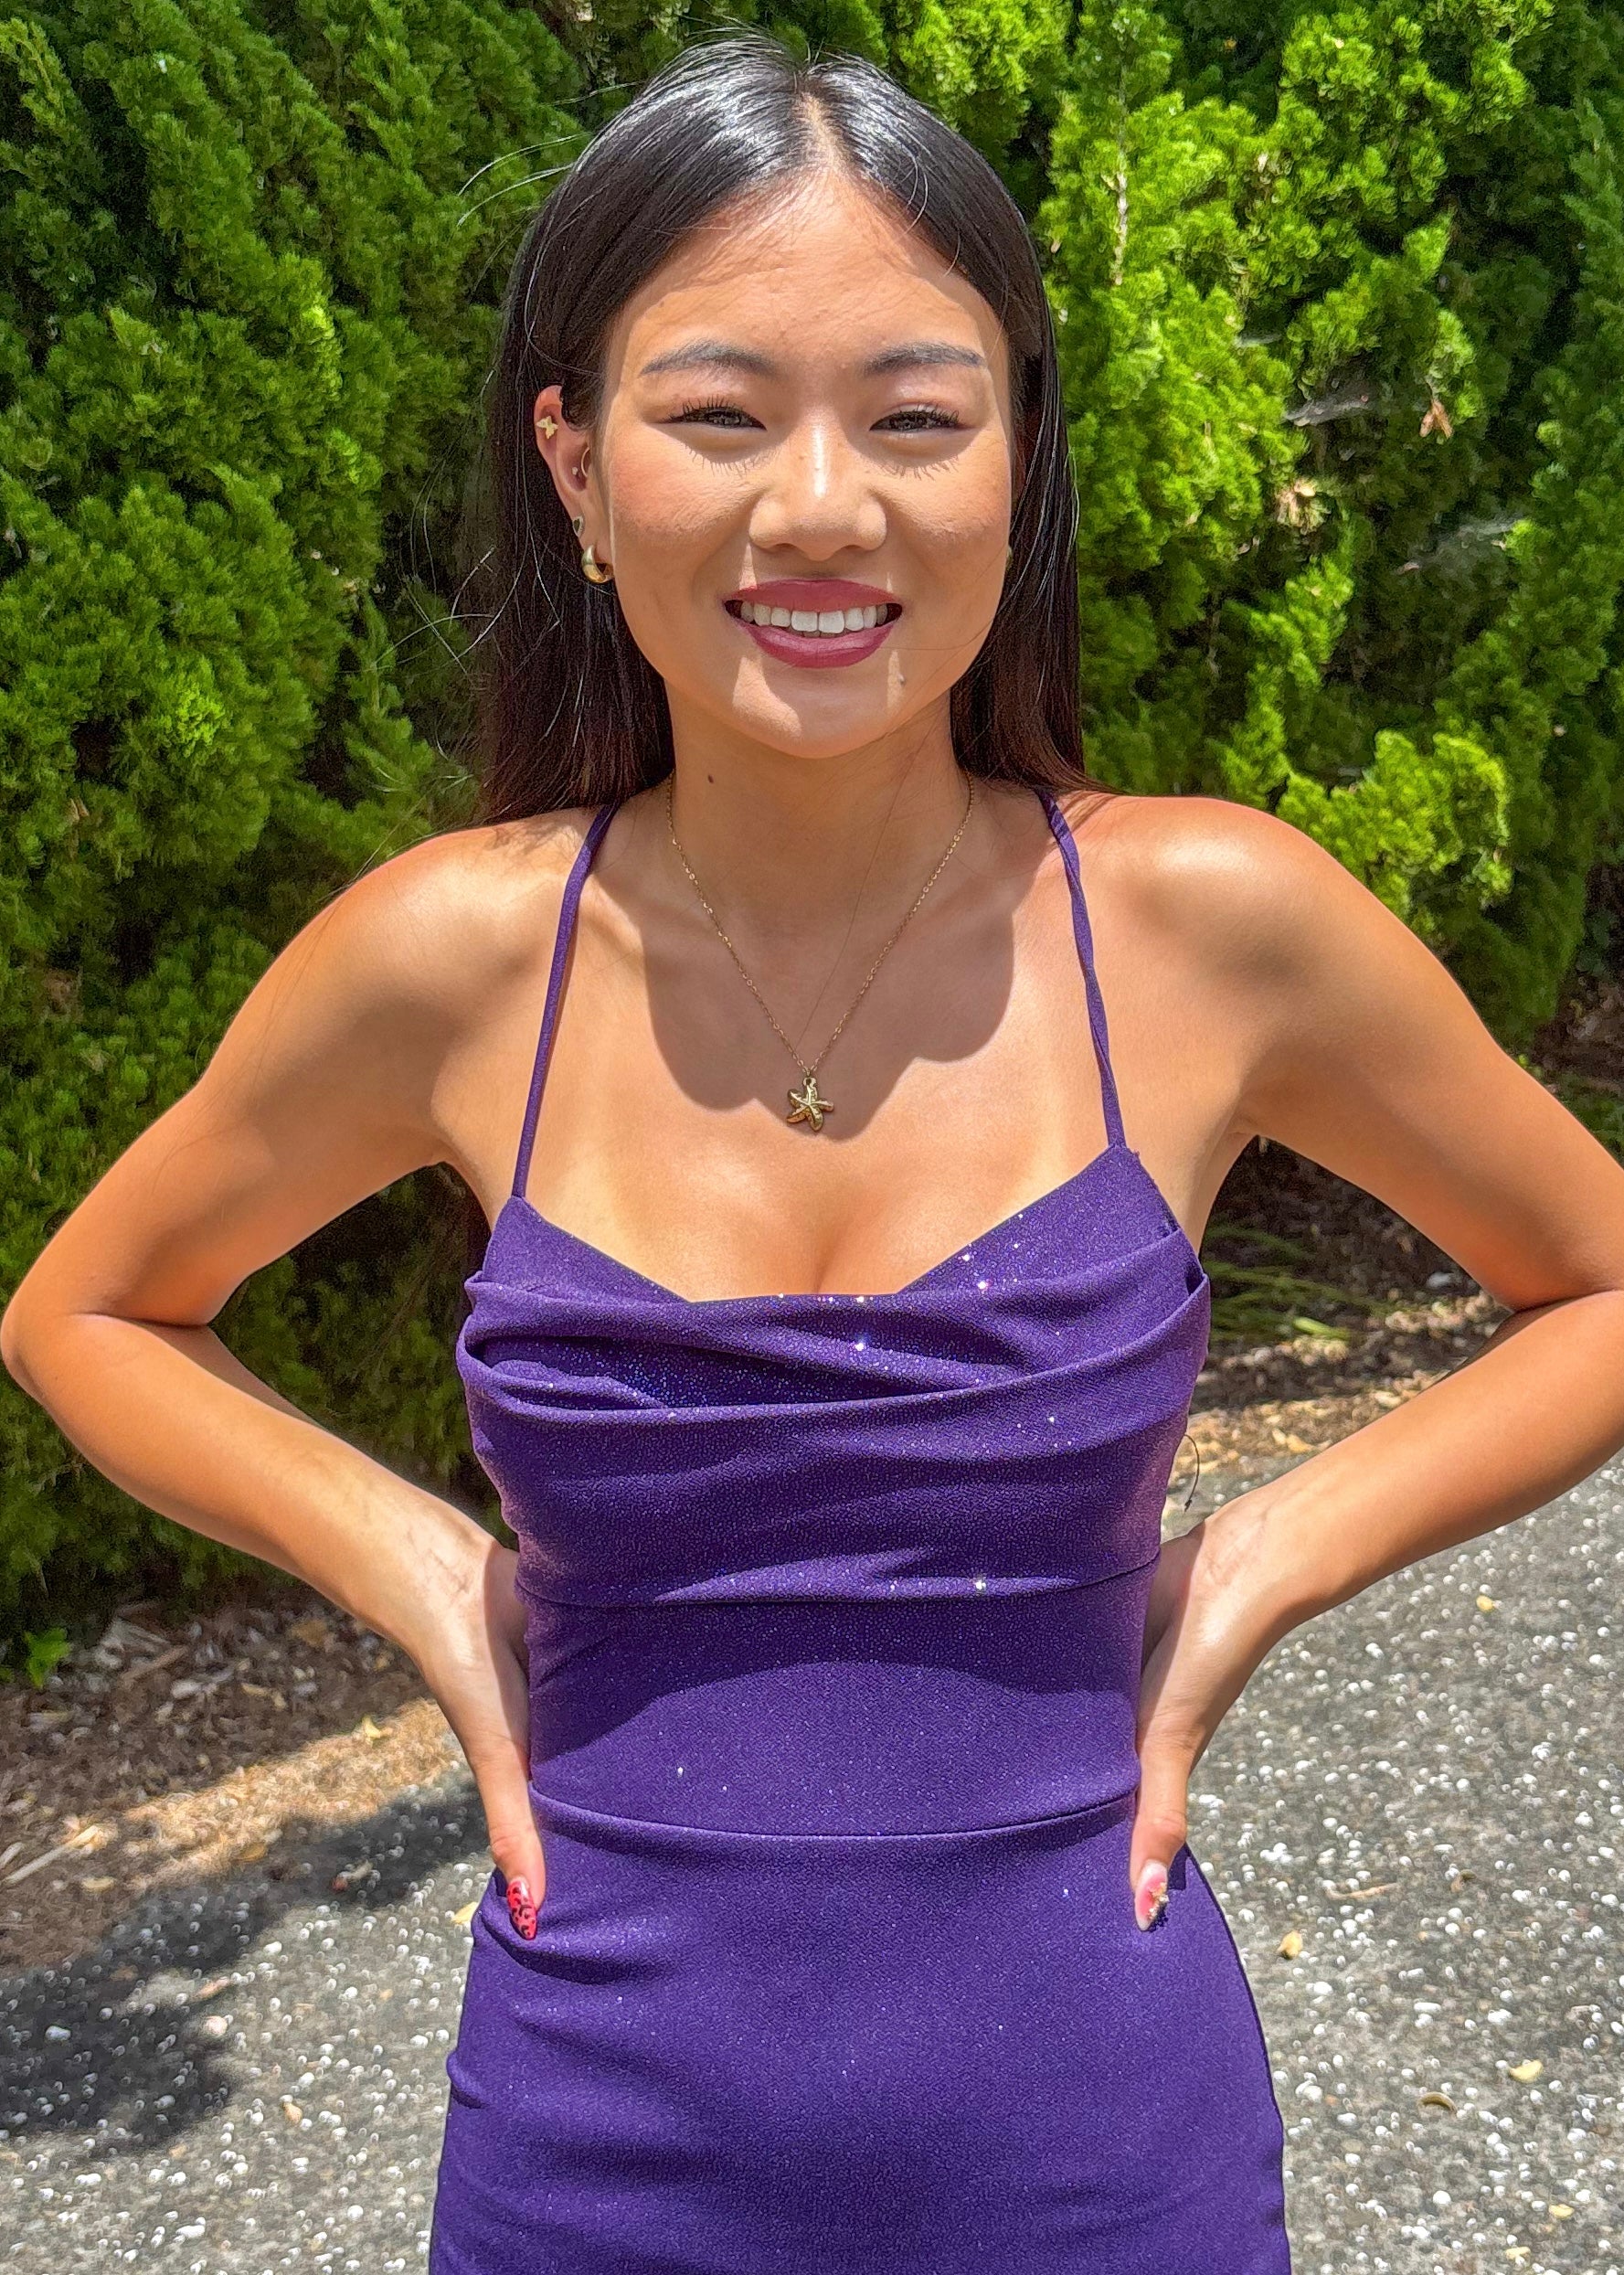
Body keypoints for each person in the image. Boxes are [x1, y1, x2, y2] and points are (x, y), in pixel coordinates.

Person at [6, 28, 1624, 2272]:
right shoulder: (457, 961)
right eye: (719, 414)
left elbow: (1595, 1281)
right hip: (594, 2149)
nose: (820, 508)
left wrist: (1260, 1559)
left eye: (914, 417)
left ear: (1019, 455)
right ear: (575, 467)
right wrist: (426, 1580)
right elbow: (88, 1311)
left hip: (1100, 2154)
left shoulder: (1204, 928)